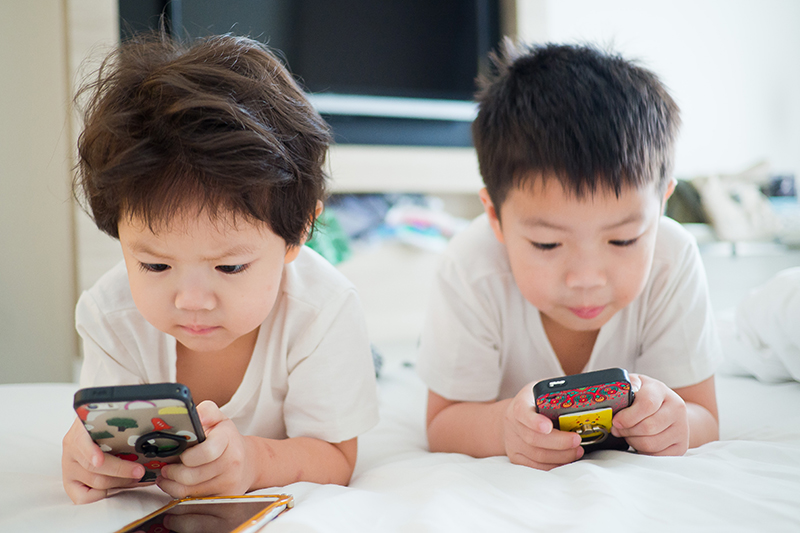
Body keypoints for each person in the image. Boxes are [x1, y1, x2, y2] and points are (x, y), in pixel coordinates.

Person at [62, 33, 379, 504]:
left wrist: (253, 462)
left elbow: (336, 456)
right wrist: (92, 463)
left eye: (229, 267)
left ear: (299, 233)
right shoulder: (110, 316)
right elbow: (112, 444)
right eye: (153, 264)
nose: (191, 299)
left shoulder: (324, 309)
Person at [417, 42, 722, 470]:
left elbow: (702, 414)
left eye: (623, 240)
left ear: (662, 206)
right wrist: (505, 427)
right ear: (495, 217)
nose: (586, 278)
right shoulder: (471, 267)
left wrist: (675, 423)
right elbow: (443, 423)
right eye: (547, 244)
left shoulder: (673, 258)